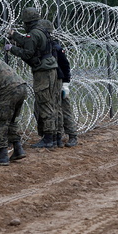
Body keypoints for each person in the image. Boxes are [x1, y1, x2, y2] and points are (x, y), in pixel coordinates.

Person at [6, 7, 60, 149]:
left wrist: (11, 48)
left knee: (44, 102)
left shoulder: (34, 34)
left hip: (43, 72)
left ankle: (48, 139)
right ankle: (53, 137)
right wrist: (14, 35)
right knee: (51, 102)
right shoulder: (41, 31)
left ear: (27, 21)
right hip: (50, 69)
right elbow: (27, 41)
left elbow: (27, 53)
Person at [38, 19, 78, 148]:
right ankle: (58, 137)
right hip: (49, 82)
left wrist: (66, 84)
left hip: (59, 81)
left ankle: (72, 136)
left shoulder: (55, 47)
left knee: (64, 109)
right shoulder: (43, 46)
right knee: (54, 110)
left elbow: (65, 65)